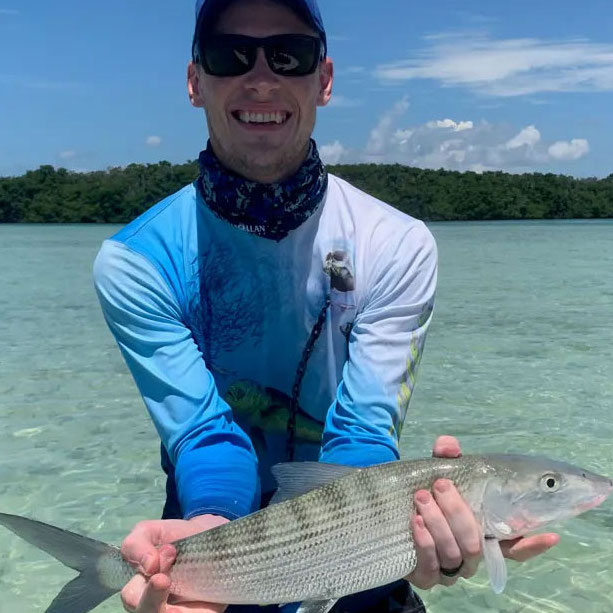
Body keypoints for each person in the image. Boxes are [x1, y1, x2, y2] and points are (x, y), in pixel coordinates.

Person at [93, 1, 559, 611]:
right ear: (194, 81)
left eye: (290, 54)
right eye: (230, 54)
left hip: (364, 540)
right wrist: (211, 524)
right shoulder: (137, 261)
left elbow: (364, 427)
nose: (261, 77)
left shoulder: (397, 245)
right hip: (205, 536)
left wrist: (416, 535)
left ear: (325, 79)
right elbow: (202, 431)